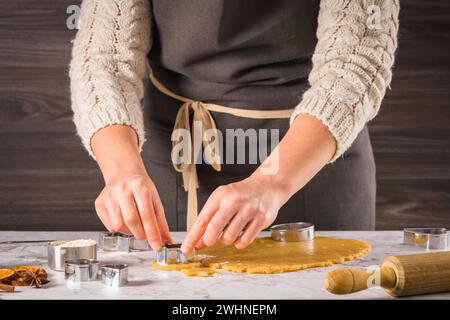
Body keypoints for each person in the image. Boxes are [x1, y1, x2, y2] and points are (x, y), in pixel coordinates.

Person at [70, 0, 399, 254]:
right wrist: (123, 172)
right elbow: (104, 54)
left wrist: (273, 181)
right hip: (175, 157)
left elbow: (356, 61)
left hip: (312, 158)